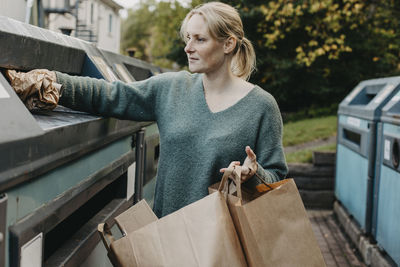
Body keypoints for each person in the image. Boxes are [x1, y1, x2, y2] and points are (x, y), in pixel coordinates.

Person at [9, 2, 288, 218]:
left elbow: (276, 180)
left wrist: (254, 174)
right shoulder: (171, 89)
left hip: (224, 244)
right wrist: (47, 83)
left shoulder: (262, 106)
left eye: (200, 40)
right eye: (187, 38)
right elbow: (110, 95)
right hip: (167, 237)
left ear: (228, 44)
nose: (188, 48)